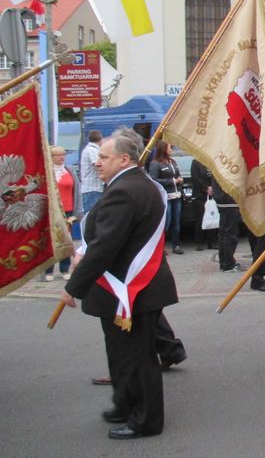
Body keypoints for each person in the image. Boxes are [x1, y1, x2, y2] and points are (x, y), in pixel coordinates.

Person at [62, 127, 179, 439]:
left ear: (124, 159)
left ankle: (146, 420)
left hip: (131, 288)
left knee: (137, 358)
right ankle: (124, 404)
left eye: (104, 157)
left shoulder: (125, 190)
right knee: (121, 353)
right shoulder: (138, 184)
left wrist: (74, 285)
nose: (97, 162)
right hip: (128, 287)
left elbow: (106, 244)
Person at [43, 145, 82, 281]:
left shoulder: (69, 170)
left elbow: (76, 191)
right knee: (51, 240)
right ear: (51, 157)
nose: (61, 157)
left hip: (68, 210)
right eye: (57, 155)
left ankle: (65, 269)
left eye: (63, 155)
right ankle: (48, 270)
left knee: (66, 239)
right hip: (52, 210)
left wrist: (77, 211)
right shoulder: (47, 172)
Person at [148, 141, 184, 254]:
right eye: (170, 147)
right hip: (165, 196)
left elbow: (176, 174)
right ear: (163, 149)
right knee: (166, 222)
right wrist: (172, 181)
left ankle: (176, 245)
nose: (172, 149)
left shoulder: (172, 162)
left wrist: (180, 179)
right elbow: (154, 180)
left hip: (176, 195)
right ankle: (160, 246)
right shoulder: (155, 163)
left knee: (176, 221)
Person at [211, 176, 244, 273]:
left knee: (224, 232)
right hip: (228, 198)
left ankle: (224, 262)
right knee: (230, 233)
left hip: (223, 197)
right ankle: (228, 264)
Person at [190, 158, 217, 251]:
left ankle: (212, 242)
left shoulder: (209, 162)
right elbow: (195, 178)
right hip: (199, 195)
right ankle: (199, 242)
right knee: (200, 218)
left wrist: (212, 188)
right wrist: (206, 188)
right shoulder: (195, 162)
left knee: (212, 216)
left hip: (211, 195)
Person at [80, 129, 104, 213]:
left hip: (93, 189)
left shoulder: (89, 149)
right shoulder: (92, 150)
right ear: (101, 139)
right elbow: (98, 164)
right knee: (93, 216)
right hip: (92, 189)